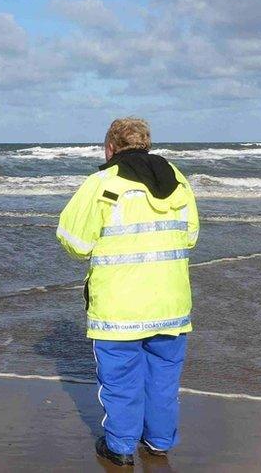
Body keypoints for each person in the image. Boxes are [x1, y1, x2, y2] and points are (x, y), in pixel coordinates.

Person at [56, 118, 199, 467]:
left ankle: (120, 448)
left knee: (120, 381)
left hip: (119, 308)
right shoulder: (179, 181)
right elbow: (191, 236)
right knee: (163, 379)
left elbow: (74, 241)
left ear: (110, 148)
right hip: (171, 302)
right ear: (146, 144)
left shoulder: (102, 182)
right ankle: (160, 442)